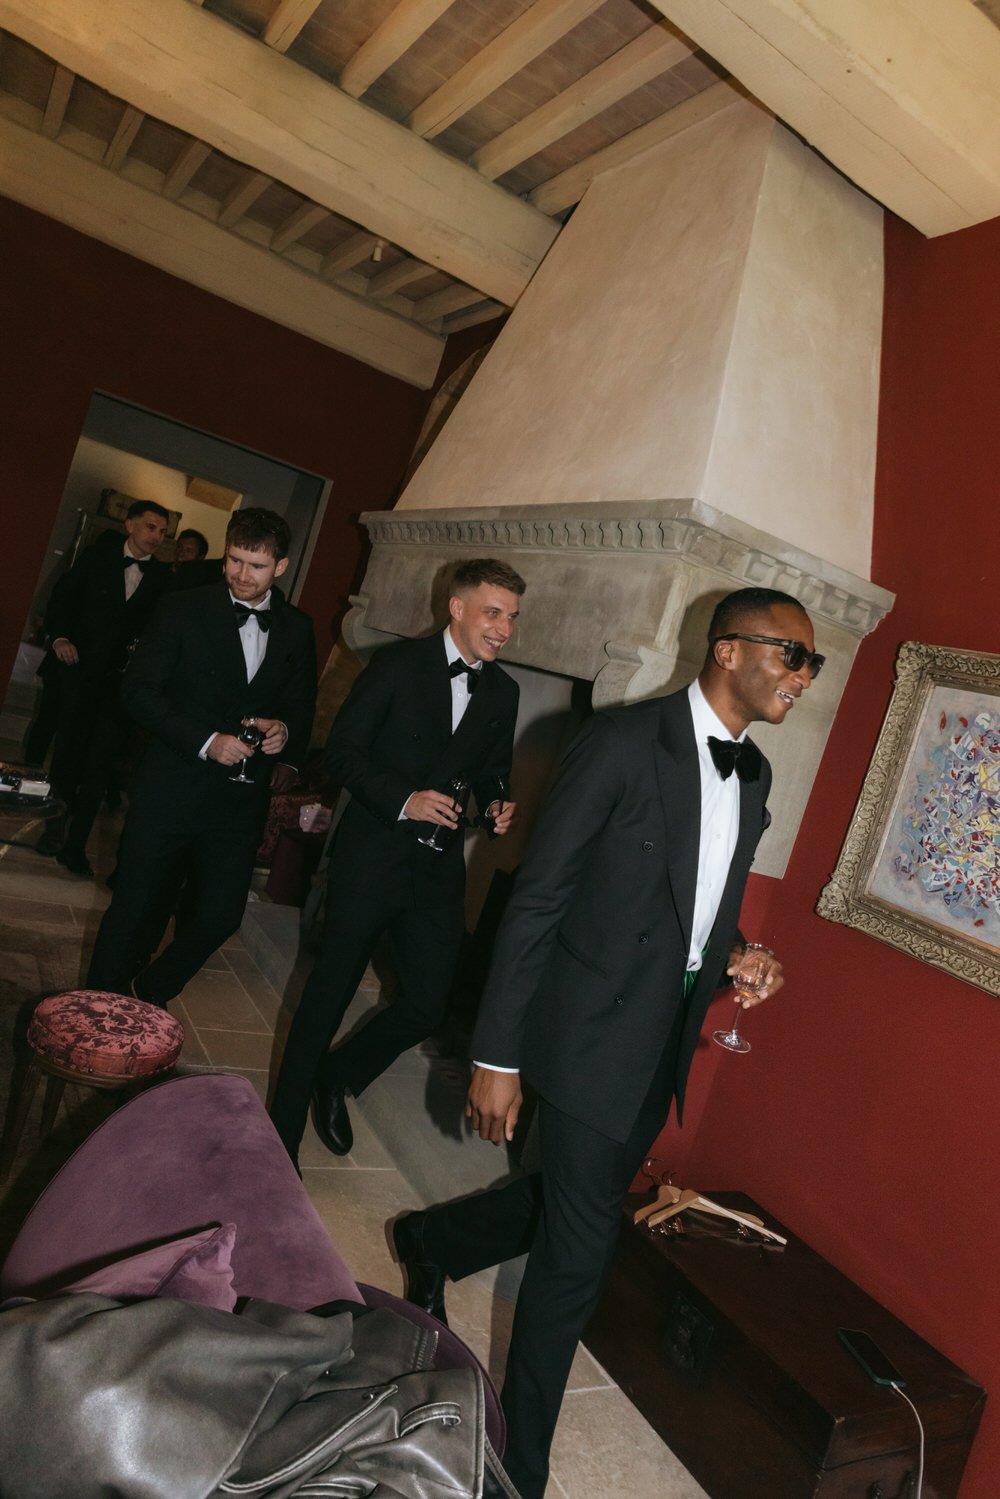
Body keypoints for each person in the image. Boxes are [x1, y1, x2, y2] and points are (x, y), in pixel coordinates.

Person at [389, 587, 824, 1499]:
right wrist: (497, 1054)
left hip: (659, 1041)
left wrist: (746, 954)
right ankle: (521, 1466)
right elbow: (539, 896)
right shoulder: (624, 742)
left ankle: (431, 1238)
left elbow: (708, 902)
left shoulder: (756, 775)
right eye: (793, 656)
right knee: (578, 1254)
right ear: (729, 649)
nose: (804, 678)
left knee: (566, 1195)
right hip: (584, 1032)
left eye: (810, 664)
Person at [269, 558, 526, 1169]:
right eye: (494, 614)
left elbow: (490, 771)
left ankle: (338, 1076)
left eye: (512, 618)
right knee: (326, 997)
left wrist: (494, 805)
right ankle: (278, 1144)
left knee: (427, 1006)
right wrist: (404, 800)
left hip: (437, 871)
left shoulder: (503, 691)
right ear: (457, 608)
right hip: (371, 857)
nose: (504, 630)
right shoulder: (397, 666)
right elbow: (343, 754)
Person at [86, 508, 316, 1005]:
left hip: (237, 803)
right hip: (171, 785)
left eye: (256, 566)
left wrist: (285, 734)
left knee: (219, 915)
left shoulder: (298, 628)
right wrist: (205, 740)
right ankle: (93, 1017)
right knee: (133, 911)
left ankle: (153, 989)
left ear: (281, 567)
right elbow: (139, 692)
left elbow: (300, 708)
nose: (241, 574)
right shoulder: (182, 607)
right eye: (234, 560)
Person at [37, 502, 171, 875]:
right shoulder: (97, 557)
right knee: (67, 756)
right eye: (150, 527)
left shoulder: (163, 578)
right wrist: (61, 636)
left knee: (100, 765)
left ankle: (76, 846)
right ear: (130, 525)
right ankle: (53, 830)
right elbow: (63, 599)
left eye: (163, 531)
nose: (157, 537)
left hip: (121, 688)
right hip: (79, 675)